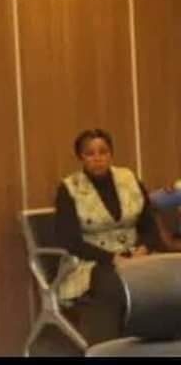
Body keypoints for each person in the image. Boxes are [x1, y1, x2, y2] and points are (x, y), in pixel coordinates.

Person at [54, 128, 164, 344]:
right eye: (90, 153)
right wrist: (113, 258)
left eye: (103, 152)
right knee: (113, 285)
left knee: (167, 278)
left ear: (111, 154)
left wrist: (144, 248)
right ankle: (110, 347)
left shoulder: (129, 178)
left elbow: (149, 226)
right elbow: (70, 240)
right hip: (91, 261)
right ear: (80, 157)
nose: (98, 158)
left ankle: (159, 345)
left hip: (136, 256)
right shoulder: (69, 188)